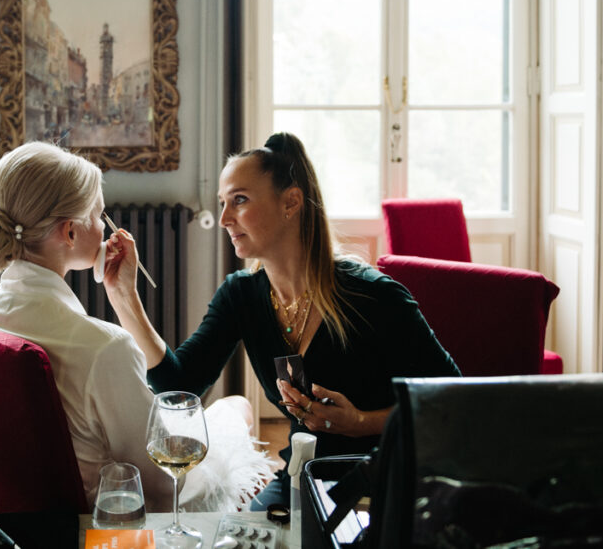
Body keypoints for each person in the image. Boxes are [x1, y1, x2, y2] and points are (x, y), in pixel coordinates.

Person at [115, 132, 462, 509]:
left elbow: (453, 401)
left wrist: (359, 422)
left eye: (240, 200)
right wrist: (124, 295)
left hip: (388, 480)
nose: (225, 219)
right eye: (223, 203)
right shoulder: (241, 295)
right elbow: (179, 386)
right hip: (303, 479)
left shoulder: (374, 296)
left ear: (291, 202)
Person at [0, 141, 273, 513]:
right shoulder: (105, 348)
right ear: (70, 233)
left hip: (10, 516)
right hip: (106, 517)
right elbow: (161, 484)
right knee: (237, 408)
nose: (106, 226)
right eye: (100, 215)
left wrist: (123, 295)